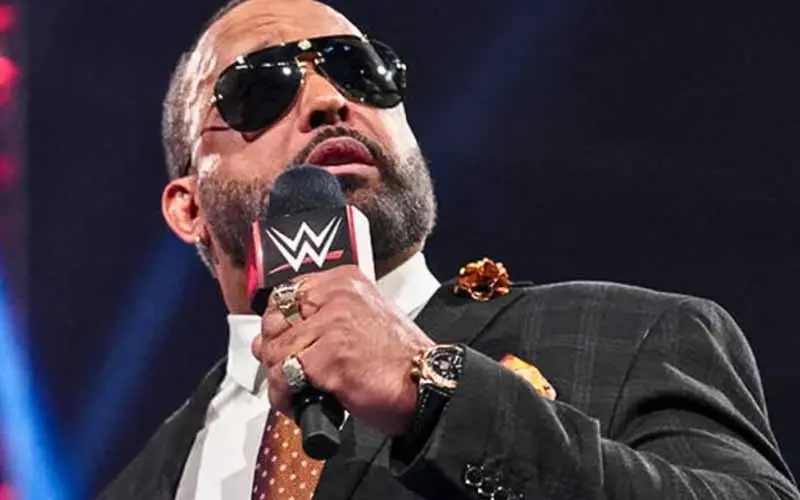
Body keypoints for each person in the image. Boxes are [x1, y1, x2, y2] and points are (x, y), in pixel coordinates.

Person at [99, 0, 799, 498]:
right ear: (188, 207)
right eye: (259, 88)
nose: (328, 101)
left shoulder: (633, 337)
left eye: (361, 71)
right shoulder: (137, 483)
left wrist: (433, 393)